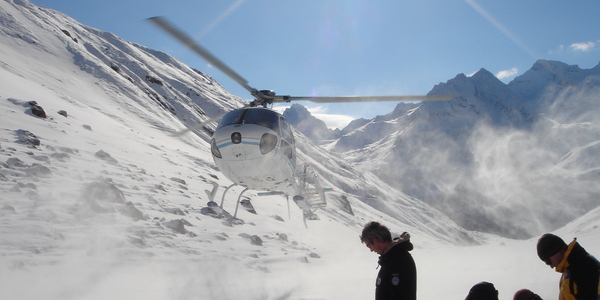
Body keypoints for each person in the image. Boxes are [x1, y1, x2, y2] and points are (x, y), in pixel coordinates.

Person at [360, 221, 416, 300]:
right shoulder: (389, 259)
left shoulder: (399, 259)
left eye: (369, 246)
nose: (371, 250)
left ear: (376, 240)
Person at [536, 233, 600, 300]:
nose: (551, 266)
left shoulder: (584, 267)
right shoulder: (569, 268)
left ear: (557, 251)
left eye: (548, 261)